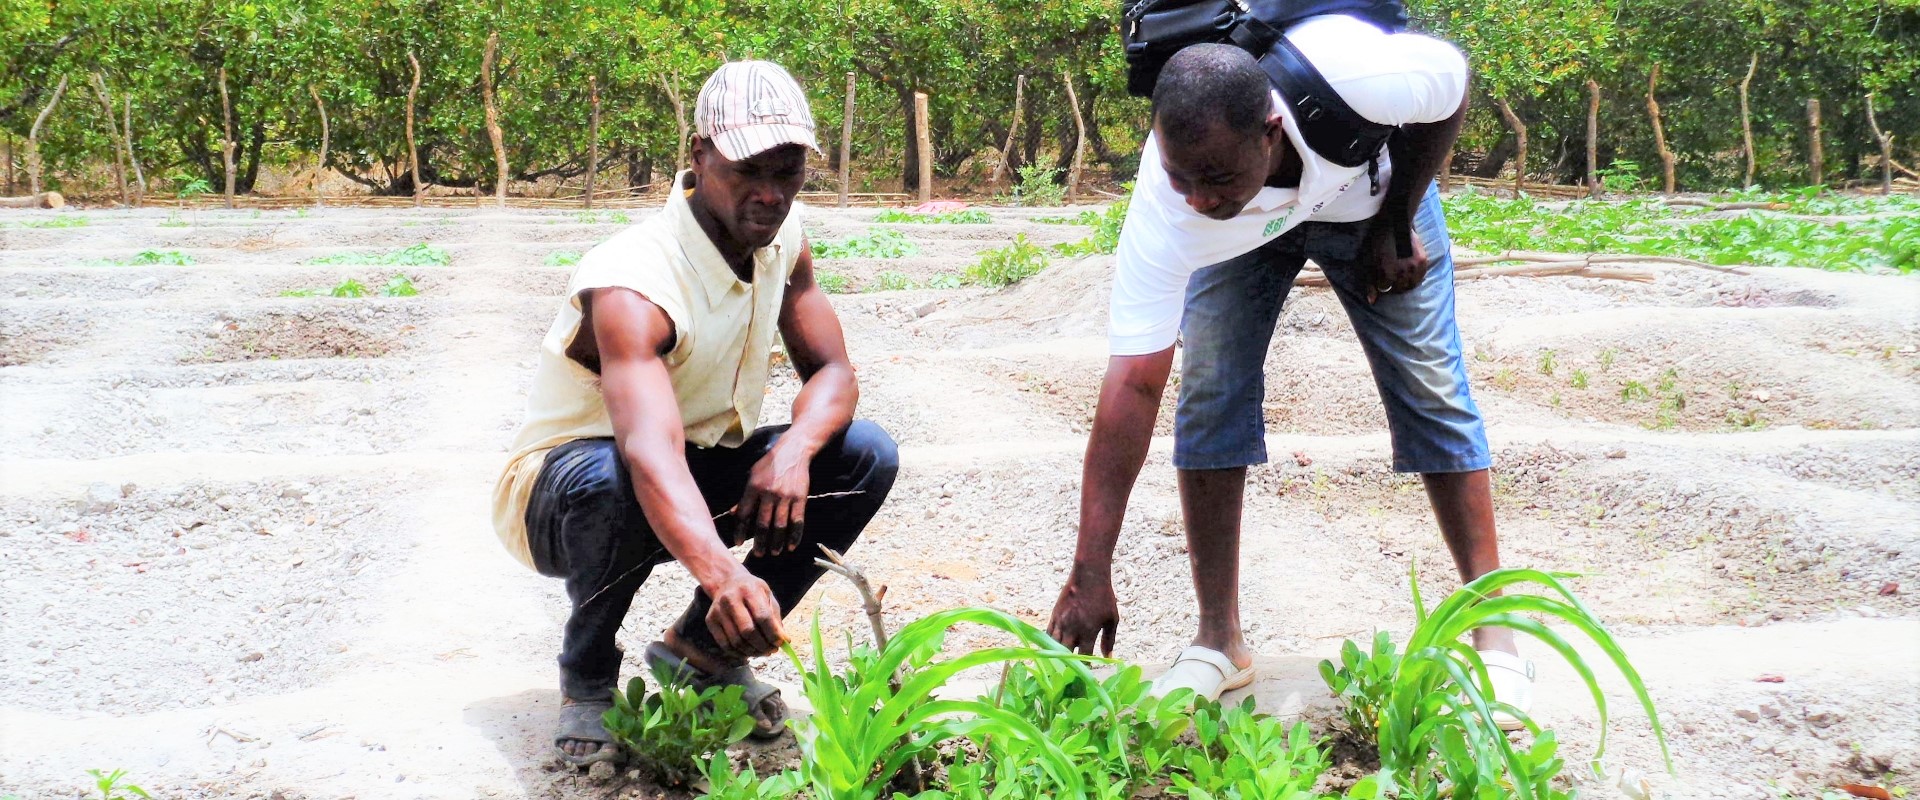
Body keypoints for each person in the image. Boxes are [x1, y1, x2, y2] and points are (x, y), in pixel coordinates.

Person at [1046, 21, 1532, 724]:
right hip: (1249, 232)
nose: (1200, 199)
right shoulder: (1176, 208)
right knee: (1210, 391)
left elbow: (1450, 86)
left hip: (1372, 195)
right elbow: (1135, 383)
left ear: (1271, 131)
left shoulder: (1350, 74)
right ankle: (1219, 643)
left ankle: (1497, 639)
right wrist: (1091, 569)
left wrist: (1398, 218)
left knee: (1432, 386)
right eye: (1183, 177)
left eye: (1214, 178)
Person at [490, 60, 899, 765]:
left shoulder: (784, 238)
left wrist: (795, 450)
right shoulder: (632, 281)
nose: (771, 194)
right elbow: (647, 449)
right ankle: (586, 673)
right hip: (566, 493)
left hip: (691, 463)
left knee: (863, 453)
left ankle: (700, 652)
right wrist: (725, 575)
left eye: (790, 170)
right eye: (749, 170)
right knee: (608, 477)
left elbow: (832, 371)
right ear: (699, 153)